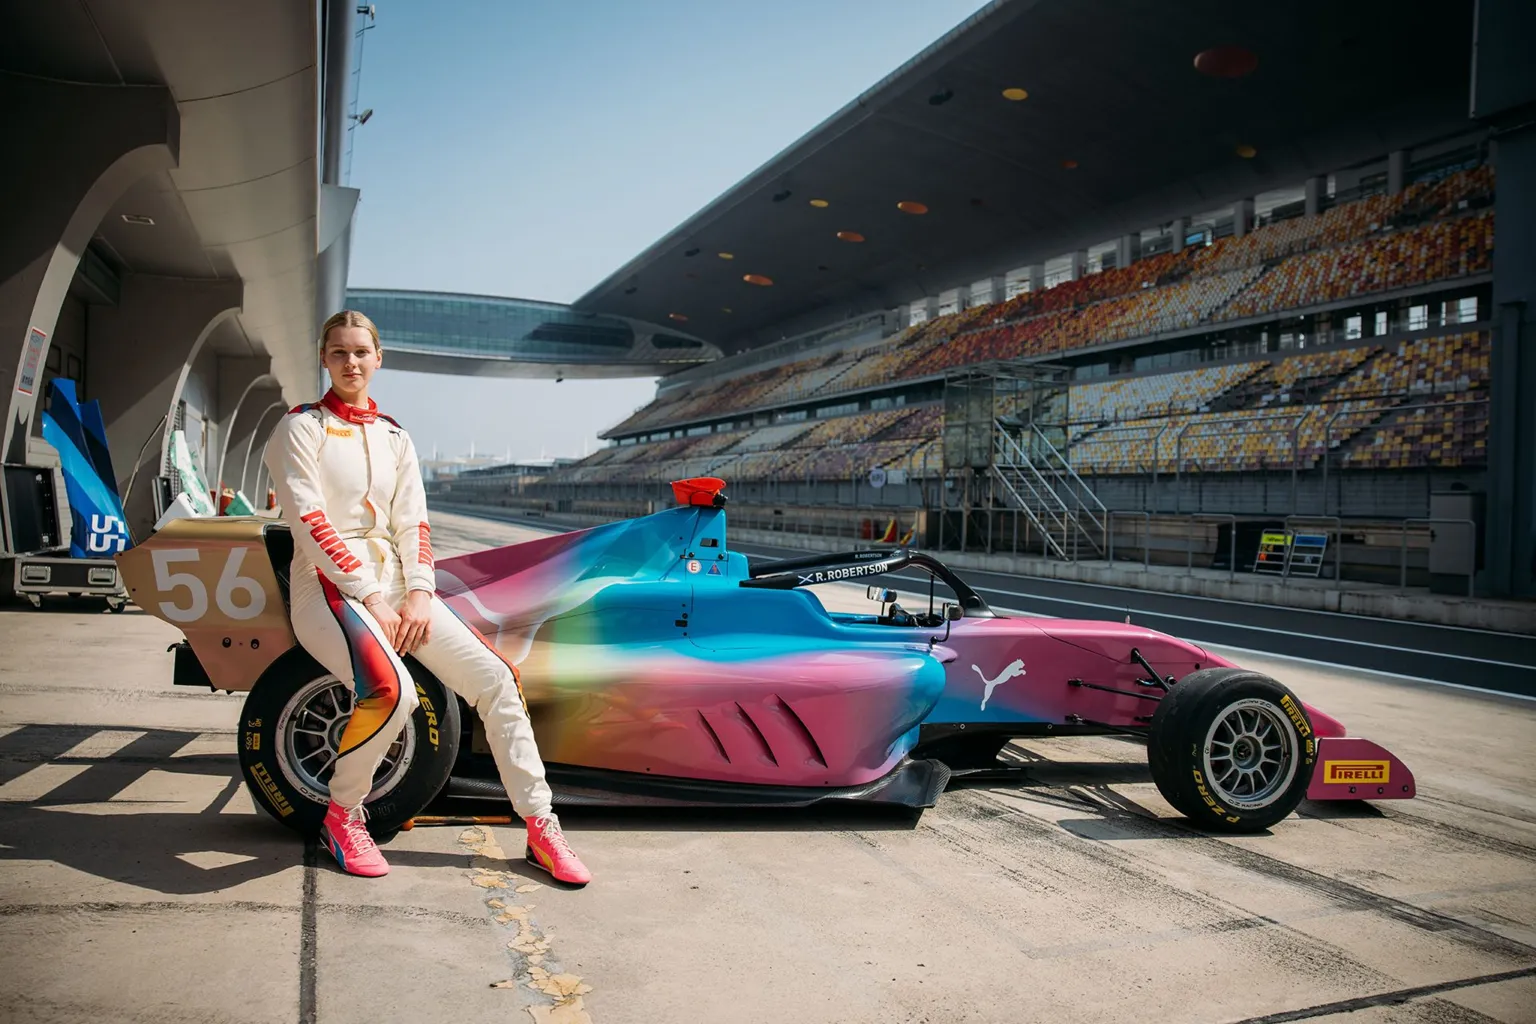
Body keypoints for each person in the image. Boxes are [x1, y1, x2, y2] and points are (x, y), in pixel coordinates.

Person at [262, 310, 590, 884]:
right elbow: (310, 522)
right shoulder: (301, 428)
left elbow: (413, 522)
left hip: (397, 586)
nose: (351, 362)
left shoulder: (395, 436)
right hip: (329, 586)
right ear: (324, 359)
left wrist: (418, 593)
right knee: (392, 694)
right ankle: (342, 816)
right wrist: (374, 600)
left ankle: (541, 826)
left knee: (497, 680)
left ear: (378, 358)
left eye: (361, 352)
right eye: (339, 352)